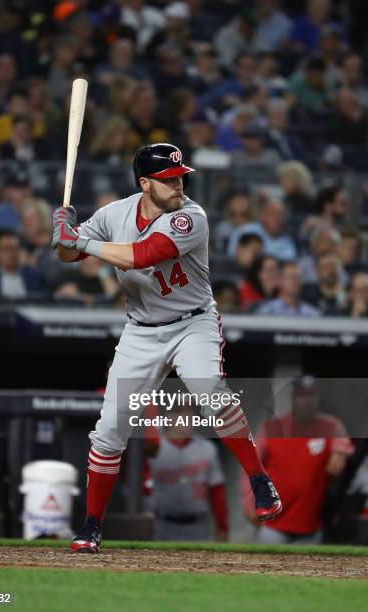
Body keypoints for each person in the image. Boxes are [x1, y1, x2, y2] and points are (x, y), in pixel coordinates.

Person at [52, 143, 282, 552]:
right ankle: (91, 525)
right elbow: (67, 253)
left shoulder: (190, 217)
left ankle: (259, 480)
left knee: (209, 390)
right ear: (145, 183)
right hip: (141, 330)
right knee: (108, 430)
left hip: (192, 322)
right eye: (167, 180)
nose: (178, 184)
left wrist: (79, 243)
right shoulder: (114, 214)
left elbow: (141, 256)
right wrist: (64, 233)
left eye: (180, 177)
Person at [241, 375, 354, 544]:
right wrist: (249, 504)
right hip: (274, 524)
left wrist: (339, 452)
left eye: (311, 396)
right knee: (268, 569)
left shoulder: (331, 426)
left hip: (311, 525)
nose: (307, 401)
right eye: (302, 396)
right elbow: (250, 466)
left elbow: (345, 444)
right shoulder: (271, 428)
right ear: (293, 398)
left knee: (309, 570)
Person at [149, 402, 228, 542]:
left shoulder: (207, 448)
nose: (186, 417)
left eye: (189, 412)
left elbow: (217, 492)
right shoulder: (152, 447)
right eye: (179, 412)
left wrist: (222, 527)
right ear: (168, 416)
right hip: (159, 525)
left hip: (197, 528)